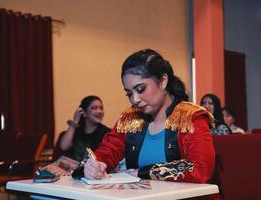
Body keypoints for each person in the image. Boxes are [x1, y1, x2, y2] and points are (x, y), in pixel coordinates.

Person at [73, 49, 215, 183]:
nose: (135, 100)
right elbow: (107, 152)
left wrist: (145, 172)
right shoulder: (130, 119)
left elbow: (200, 168)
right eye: (129, 93)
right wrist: (93, 165)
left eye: (141, 89)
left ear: (163, 81)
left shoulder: (190, 117)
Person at [55, 95, 110, 162]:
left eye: (101, 108)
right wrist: (75, 121)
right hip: (73, 170)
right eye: (94, 108)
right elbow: (64, 147)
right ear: (84, 112)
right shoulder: (77, 131)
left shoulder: (107, 133)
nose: (99, 111)